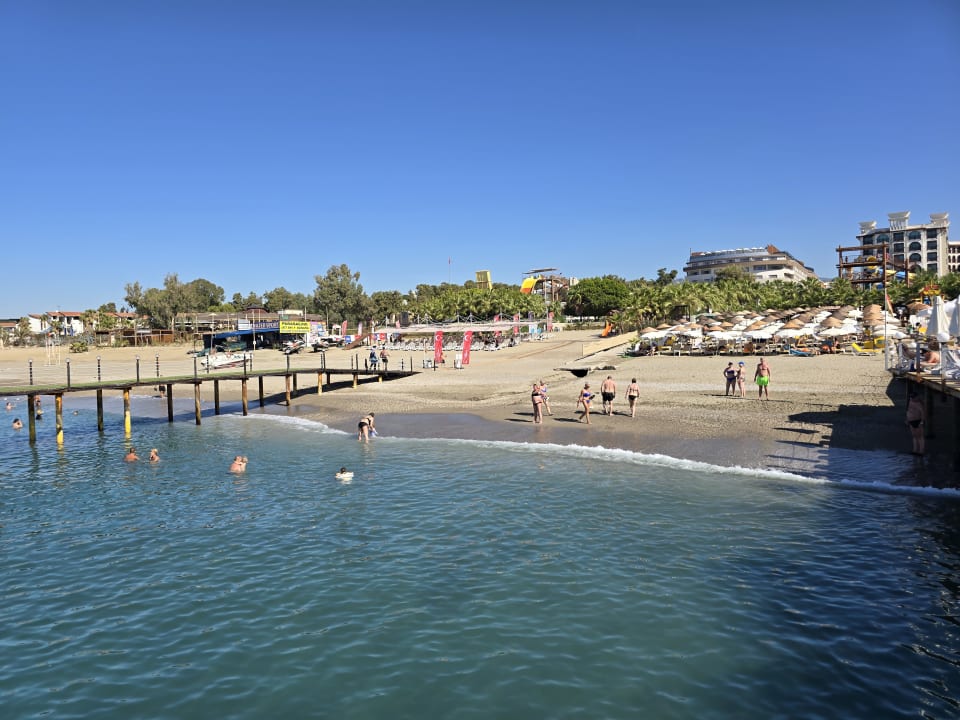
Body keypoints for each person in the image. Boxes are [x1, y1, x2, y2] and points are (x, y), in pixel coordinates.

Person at [905, 390, 925, 455]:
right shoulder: (910, 401)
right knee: (914, 436)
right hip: (911, 421)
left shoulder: (919, 404)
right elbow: (908, 411)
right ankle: (915, 450)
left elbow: (923, 413)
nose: (911, 398)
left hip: (918, 421)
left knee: (920, 437)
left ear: (917, 397)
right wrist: (907, 419)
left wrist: (921, 422)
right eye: (911, 397)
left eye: (913, 397)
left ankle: (921, 451)